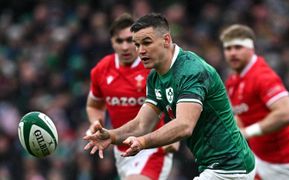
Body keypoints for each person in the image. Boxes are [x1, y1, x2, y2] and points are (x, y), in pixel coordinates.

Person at [84, 13, 256, 180]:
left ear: (166, 40)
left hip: (231, 166)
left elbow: (184, 125)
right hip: (213, 165)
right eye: (137, 44)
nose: (140, 51)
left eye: (147, 43)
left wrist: (142, 142)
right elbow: (142, 123)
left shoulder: (191, 71)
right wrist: (112, 136)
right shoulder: (154, 76)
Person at [86, 13, 177, 180]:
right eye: (119, 41)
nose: (125, 47)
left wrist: (174, 136)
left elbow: (174, 102)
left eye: (130, 41)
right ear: (111, 42)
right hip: (120, 149)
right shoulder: (102, 69)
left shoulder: (152, 68)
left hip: (152, 148)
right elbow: (94, 105)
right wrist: (95, 124)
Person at [220, 24, 289, 180]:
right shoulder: (232, 81)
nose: (232, 53)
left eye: (238, 47)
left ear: (251, 48)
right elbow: (241, 117)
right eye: (228, 49)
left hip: (287, 163)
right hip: (260, 161)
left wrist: (248, 133)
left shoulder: (262, 76)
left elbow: (287, 113)